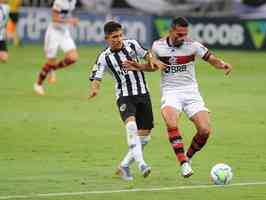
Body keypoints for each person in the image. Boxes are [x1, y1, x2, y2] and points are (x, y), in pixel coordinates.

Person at [123, 17, 232, 178]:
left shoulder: (192, 45)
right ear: (171, 31)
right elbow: (154, 67)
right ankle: (183, 163)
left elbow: (211, 59)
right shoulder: (158, 46)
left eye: (185, 34)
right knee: (171, 121)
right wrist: (138, 66)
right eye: (179, 34)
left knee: (205, 130)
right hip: (171, 92)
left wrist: (223, 64)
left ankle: (188, 157)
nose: (182, 38)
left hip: (191, 92)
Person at [88, 21, 162, 181]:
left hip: (143, 94)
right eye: (114, 36)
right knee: (131, 127)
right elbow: (96, 76)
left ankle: (124, 166)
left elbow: (148, 56)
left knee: (145, 135)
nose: (118, 39)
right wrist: (95, 88)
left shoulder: (133, 45)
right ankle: (142, 164)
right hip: (124, 96)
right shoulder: (104, 57)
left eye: (120, 35)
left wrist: (151, 60)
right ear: (107, 38)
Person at [34, 0, 79, 95]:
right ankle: (38, 84)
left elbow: (67, 14)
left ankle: (52, 69)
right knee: (50, 61)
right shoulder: (59, 2)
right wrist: (69, 21)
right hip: (53, 32)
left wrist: (69, 21)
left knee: (73, 58)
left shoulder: (73, 1)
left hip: (64, 32)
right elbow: (54, 19)